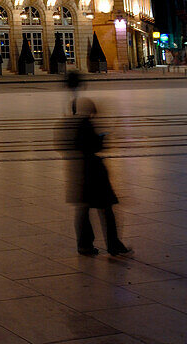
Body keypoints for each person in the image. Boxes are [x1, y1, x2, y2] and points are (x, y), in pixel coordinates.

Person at [65, 92, 131, 257]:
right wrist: (102, 138)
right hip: (94, 173)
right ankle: (113, 244)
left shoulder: (72, 124)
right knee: (106, 210)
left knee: (84, 210)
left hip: (80, 173)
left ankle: (85, 245)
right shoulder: (85, 124)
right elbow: (94, 147)